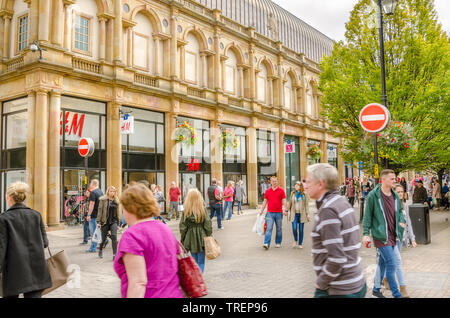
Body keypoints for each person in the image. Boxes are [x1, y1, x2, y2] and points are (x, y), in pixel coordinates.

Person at [303, 164, 366, 298]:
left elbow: (337, 258)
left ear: (320, 184)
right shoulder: (341, 202)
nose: (305, 185)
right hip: (354, 283)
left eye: (308, 181)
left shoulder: (328, 210)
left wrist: (320, 284)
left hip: (340, 288)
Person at [113, 182, 183, 298]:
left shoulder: (132, 236)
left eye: (123, 208)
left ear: (131, 208)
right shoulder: (165, 228)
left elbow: (138, 282)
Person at [0, 182, 52, 298]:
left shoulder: (4, 218)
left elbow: (1, 248)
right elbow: (45, 243)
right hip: (36, 269)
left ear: (9, 197)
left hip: (14, 271)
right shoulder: (36, 215)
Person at [362, 169, 406, 298]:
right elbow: (367, 216)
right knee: (392, 264)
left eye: (395, 178)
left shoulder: (395, 195)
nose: (395, 181)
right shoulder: (373, 196)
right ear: (384, 180)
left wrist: (402, 222)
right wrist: (365, 233)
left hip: (393, 235)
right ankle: (397, 295)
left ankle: (376, 291)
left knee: (383, 263)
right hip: (381, 236)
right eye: (392, 179)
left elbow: (399, 213)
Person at [374, 183, 417, 298]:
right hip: (389, 240)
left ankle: (383, 280)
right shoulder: (390, 205)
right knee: (397, 262)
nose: (400, 194)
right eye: (398, 192)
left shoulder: (405, 206)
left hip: (400, 240)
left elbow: (409, 223)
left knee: (382, 262)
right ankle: (402, 289)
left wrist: (412, 238)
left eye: (402, 192)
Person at [179, 188, 212, 273]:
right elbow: (208, 224)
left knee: (194, 261)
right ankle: (199, 277)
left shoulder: (186, 211)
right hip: (202, 237)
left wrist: (183, 238)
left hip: (190, 238)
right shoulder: (203, 209)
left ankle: (196, 278)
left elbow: (182, 227)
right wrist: (208, 235)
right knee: (201, 262)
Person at [259, 176, 288, 249]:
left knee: (279, 229)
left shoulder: (281, 191)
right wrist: (261, 211)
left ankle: (278, 242)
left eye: (276, 181)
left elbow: (284, 200)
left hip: (279, 213)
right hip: (270, 213)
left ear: (277, 182)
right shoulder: (267, 191)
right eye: (273, 181)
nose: (274, 182)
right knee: (269, 228)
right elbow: (265, 201)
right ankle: (266, 243)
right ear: (270, 182)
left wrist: (286, 209)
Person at [97, 186, 120, 260]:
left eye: (113, 191)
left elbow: (118, 213)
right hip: (105, 221)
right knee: (103, 238)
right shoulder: (103, 200)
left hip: (113, 221)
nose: (112, 192)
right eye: (111, 191)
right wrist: (98, 222)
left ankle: (114, 255)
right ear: (108, 192)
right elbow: (100, 211)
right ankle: (100, 249)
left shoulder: (116, 201)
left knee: (114, 236)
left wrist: (118, 223)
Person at [288, 181, 310, 249]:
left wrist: (307, 214)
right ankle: (295, 240)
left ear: (300, 187)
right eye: (295, 185)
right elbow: (290, 203)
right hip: (294, 214)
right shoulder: (292, 193)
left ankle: (300, 243)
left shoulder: (304, 194)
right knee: (294, 228)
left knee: (301, 230)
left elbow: (306, 205)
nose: (296, 187)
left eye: (297, 185)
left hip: (302, 214)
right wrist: (286, 210)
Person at [85, 179, 104, 253]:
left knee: (93, 233)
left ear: (92, 184)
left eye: (90, 183)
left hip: (93, 215)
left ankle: (93, 248)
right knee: (98, 231)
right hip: (99, 215)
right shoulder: (100, 192)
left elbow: (91, 204)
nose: (90, 185)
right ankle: (104, 241)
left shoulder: (93, 193)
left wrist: (88, 215)